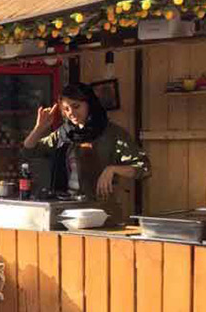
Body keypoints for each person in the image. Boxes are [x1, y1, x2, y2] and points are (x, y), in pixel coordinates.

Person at [22, 83, 150, 221]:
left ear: (90, 104)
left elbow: (144, 168)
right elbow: (29, 151)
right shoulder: (64, 133)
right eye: (66, 109)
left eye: (76, 106)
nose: (71, 112)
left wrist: (112, 169)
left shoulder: (113, 134)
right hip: (66, 208)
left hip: (101, 211)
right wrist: (39, 128)